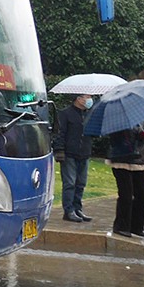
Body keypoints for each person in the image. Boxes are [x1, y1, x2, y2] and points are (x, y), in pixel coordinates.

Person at [107, 120, 144, 239]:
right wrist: (135, 135)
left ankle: (137, 226)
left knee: (142, 193)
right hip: (121, 160)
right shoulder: (115, 119)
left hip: (139, 159)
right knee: (126, 194)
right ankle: (121, 226)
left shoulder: (140, 118)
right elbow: (115, 139)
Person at [56, 94, 95, 222]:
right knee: (70, 183)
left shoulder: (89, 115)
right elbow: (60, 133)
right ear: (78, 99)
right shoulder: (65, 114)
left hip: (84, 153)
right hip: (69, 153)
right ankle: (69, 210)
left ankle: (78, 208)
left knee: (81, 183)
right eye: (87, 97)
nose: (89, 100)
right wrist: (60, 150)